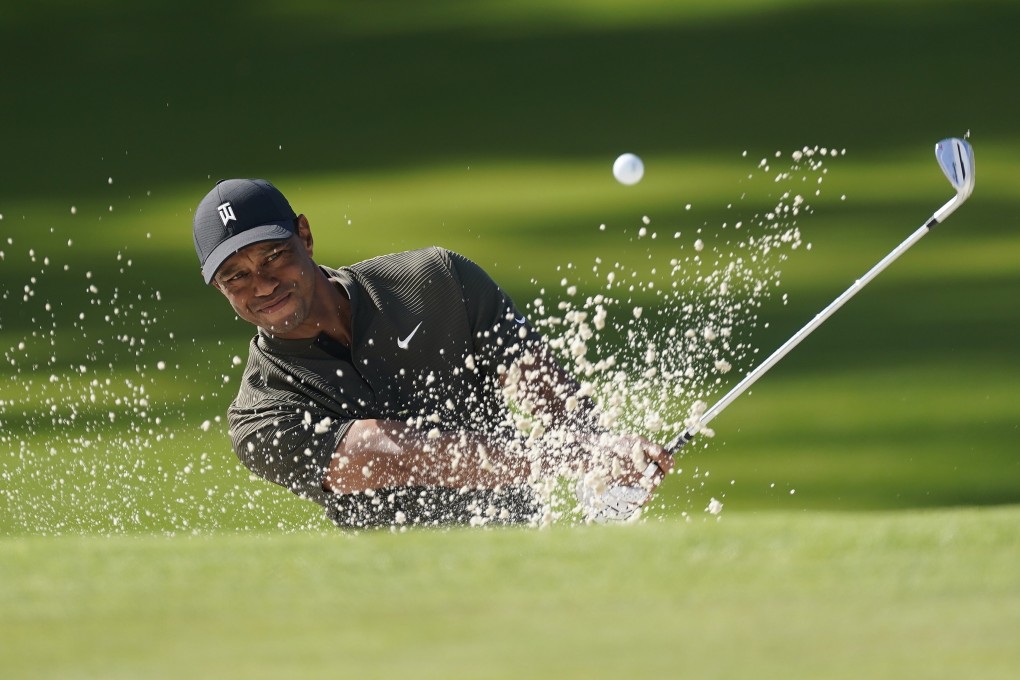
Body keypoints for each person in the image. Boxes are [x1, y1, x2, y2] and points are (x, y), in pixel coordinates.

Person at [192, 178, 672, 528]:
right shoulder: (260, 414)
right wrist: (571, 458)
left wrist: (609, 462)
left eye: (274, 256)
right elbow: (389, 454)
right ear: (218, 288)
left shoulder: (436, 281)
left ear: (305, 235)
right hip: (401, 601)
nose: (264, 283)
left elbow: (546, 392)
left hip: (520, 553)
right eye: (236, 276)